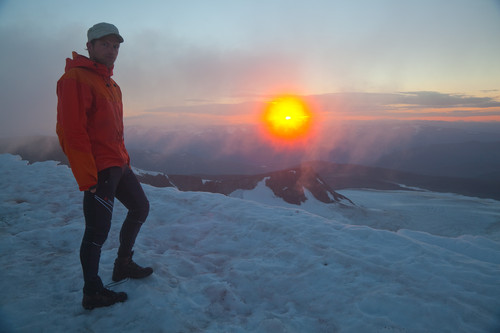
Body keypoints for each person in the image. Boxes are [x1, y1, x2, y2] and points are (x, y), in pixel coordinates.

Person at [56, 22, 153, 310]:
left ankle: (123, 264)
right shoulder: (76, 78)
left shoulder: (111, 84)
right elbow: (72, 131)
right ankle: (92, 291)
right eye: (105, 44)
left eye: (115, 46)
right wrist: (87, 175)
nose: (111, 50)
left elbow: (114, 130)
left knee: (140, 207)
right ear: (89, 46)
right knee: (97, 231)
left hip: (117, 164)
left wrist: (124, 160)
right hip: (99, 168)